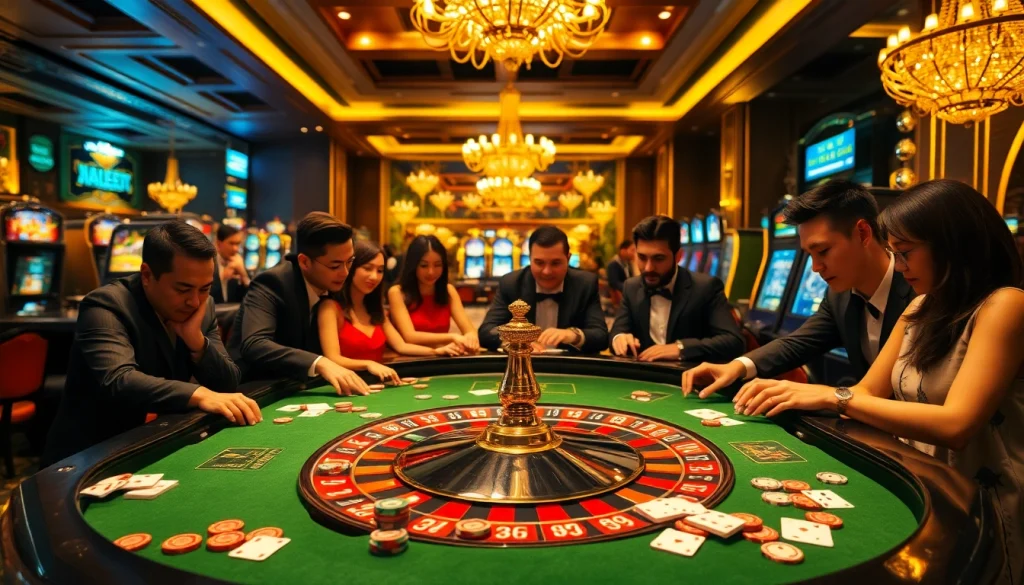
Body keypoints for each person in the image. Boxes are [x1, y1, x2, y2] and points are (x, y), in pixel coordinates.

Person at [725, 180, 1024, 584]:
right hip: (934, 491)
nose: (899, 267)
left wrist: (831, 396)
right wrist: (795, 392)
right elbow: (867, 390)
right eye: (895, 254)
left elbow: (957, 424)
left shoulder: (1006, 304)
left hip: (991, 501)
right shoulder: (922, 306)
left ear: (954, 244)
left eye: (905, 253)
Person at [42, 222, 254, 465]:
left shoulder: (203, 307)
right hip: (85, 455)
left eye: (204, 289)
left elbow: (228, 382)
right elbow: (119, 379)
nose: (195, 301)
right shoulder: (105, 305)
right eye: (183, 289)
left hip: (147, 444)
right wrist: (199, 393)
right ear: (146, 275)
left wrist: (196, 341)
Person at [682, 180, 914, 397]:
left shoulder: (921, 291)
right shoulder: (839, 296)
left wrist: (822, 396)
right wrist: (737, 366)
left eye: (822, 251)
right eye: (809, 255)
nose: (815, 267)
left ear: (862, 233)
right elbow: (798, 342)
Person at [228, 212, 369, 395]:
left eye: (349, 262)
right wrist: (320, 363)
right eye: (335, 266)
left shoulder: (338, 281)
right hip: (253, 390)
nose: (345, 272)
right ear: (304, 262)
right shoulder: (273, 283)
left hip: (297, 387)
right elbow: (255, 344)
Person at [319, 241, 463, 383]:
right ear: (351, 268)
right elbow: (332, 358)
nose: (374, 276)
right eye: (367, 268)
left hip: (378, 385)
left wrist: (436, 352)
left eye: (380, 270)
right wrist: (368, 364)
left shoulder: (376, 309)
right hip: (347, 386)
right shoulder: (330, 308)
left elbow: (401, 345)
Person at [610, 215, 744, 363]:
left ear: (678, 256)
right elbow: (616, 332)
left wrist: (681, 348)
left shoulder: (705, 287)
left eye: (658, 258)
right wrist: (619, 338)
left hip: (689, 380)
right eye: (642, 257)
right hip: (643, 378)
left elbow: (733, 342)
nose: (648, 268)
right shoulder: (631, 287)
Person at [478, 226, 608, 354]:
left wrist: (572, 335)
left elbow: (601, 336)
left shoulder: (585, 284)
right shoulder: (511, 283)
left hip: (569, 367)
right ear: (530, 259)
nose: (547, 271)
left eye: (555, 263)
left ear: (568, 259)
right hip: (523, 365)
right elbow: (487, 331)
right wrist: (517, 341)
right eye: (539, 263)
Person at [387, 235, 480, 351]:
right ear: (413, 265)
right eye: (424, 265)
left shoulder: (448, 290)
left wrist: (471, 338)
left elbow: (470, 331)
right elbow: (410, 336)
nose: (431, 272)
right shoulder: (397, 293)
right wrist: (452, 337)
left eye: (437, 265)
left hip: (442, 358)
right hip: (408, 361)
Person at [211, 223, 250, 303]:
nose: (236, 249)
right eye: (231, 243)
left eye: (238, 244)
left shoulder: (239, 262)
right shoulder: (208, 263)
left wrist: (244, 276)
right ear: (219, 244)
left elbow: (250, 300)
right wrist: (223, 279)